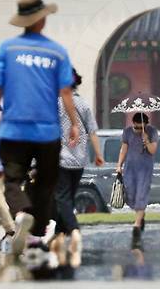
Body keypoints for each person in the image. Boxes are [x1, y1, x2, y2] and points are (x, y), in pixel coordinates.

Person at [0, 0, 79, 256]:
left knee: (13, 180)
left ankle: (22, 215)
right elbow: (66, 92)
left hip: (14, 128)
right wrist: (73, 122)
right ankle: (36, 232)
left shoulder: (8, 48)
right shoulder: (57, 51)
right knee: (46, 182)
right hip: (47, 131)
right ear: (41, 20)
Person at [56, 68, 103, 266]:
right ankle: (60, 235)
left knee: (61, 197)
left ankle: (74, 230)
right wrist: (98, 154)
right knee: (67, 198)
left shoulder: (56, 104)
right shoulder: (83, 104)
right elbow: (92, 131)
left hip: (60, 159)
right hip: (79, 161)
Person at [116, 113, 158, 240]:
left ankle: (137, 225)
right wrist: (119, 165)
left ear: (146, 125)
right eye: (136, 128)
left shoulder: (152, 131)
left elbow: (153, 150)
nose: (138, 130)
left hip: (145, 169)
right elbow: (124, 149)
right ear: (133, 124)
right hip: (130, 169)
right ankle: (141, 214)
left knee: (141, 195)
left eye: (141, 128)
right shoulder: (127, 132)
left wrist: (147, 140)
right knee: (131, 195)